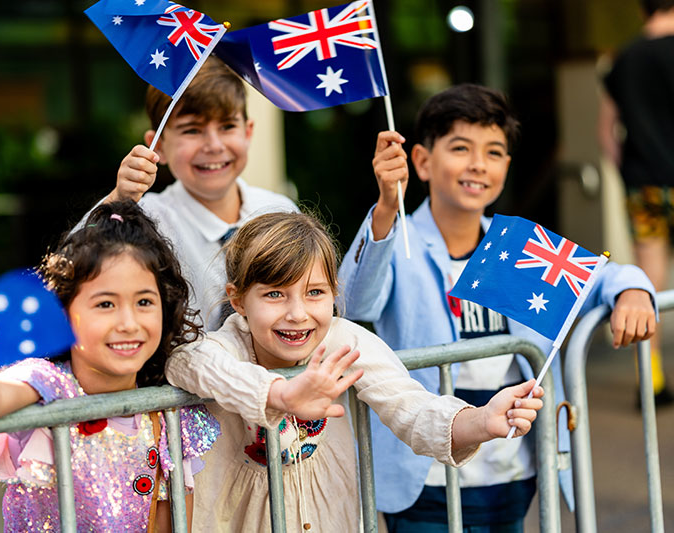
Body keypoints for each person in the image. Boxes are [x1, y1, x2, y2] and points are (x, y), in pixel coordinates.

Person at [338, 84, 657, 532]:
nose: (477, 164)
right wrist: (387, 208)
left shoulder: (514, 246)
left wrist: (634, 293)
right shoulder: (399, 241)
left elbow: (603, 275)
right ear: (423, 163)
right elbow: (353, 300)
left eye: (494, 152)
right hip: (425, 473)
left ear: (507, 165)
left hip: (512, 469)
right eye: (460, 148)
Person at [165, 211, 546, 532]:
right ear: (238, 300)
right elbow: (186, 361)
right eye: (275, 294)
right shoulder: (228, 344)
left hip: (333, 518)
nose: (297, 313)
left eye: (315, 293)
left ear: (334, 292)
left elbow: (410, 406)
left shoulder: (342, 340)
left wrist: (480, 420)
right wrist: (279, 395)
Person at [0, 200, 219, 532]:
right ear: (63, 315)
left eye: (144, 301)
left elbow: (170, 523)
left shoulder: (168, 414)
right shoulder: (49, 382)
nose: (128, 322)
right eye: (105, 304)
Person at [91, 56, 297, 331]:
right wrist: (119, 199)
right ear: (158, 146)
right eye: (192, 130)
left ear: (248, 133)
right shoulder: (147, 219)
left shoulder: (279, 211)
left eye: (227, 127)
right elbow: (75, 266)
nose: (213, 145)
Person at [599, 0, 674, 405]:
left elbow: (605, 131)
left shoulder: (623, 59)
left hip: (643, 185)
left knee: (650, 279)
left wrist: (629, 172)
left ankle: (652, 379)